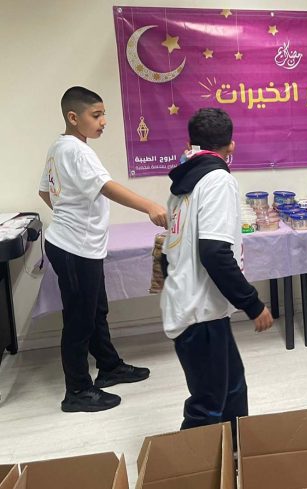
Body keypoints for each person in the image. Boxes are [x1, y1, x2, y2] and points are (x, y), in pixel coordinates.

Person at [38, 86, 167, 413]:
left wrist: (68, 213)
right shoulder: (77, 151)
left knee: (95, 311)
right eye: (96, 115)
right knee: (79, 320)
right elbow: (107, 188)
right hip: (73, 249)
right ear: (73, 117)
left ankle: (109, 367)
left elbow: (44, 193)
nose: (104, 121)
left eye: (103, 114)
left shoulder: (59, 147)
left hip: (80, 246)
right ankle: (77, 391)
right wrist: (150, 206)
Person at [160, 108, 273, 437]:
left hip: (197, 306)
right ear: (231, 145)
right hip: (200, 313)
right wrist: (252, 303)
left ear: (190, 143)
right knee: (207, 407)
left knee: (233, 390)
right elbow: (214, 252)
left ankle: (236, 453)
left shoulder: (183, 183)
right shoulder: (218, 181)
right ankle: (187, 463)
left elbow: (168, 253)